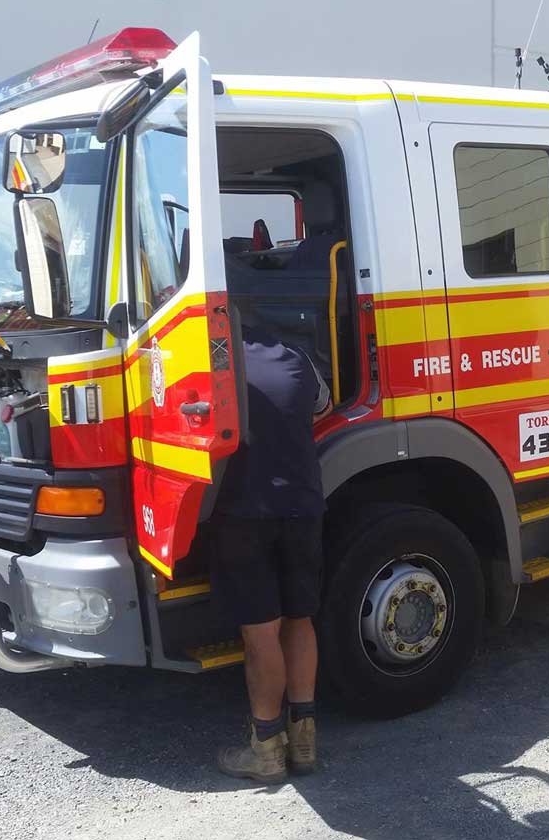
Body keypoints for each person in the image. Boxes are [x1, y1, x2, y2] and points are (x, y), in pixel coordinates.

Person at [212, 310, 332, 784]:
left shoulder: (206, 363)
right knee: (300, 619)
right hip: (303, 507)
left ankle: (266, 749)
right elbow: (320, 407)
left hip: (244, 514)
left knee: (261, 633)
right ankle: (304, 743)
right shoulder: (295, 355)